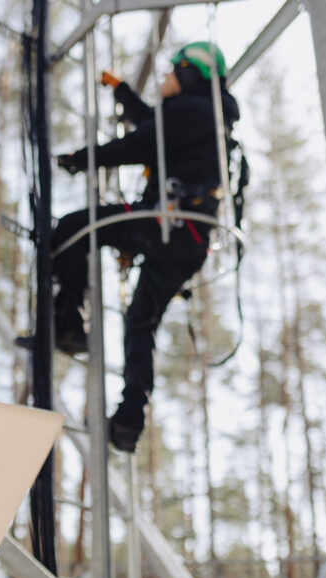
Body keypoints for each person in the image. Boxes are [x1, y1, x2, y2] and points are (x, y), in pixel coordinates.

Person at [52, 41, 241, 454]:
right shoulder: (206, 117)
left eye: (172, 71)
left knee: (71, 229)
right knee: (140, 320)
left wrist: (80, 159)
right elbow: (151, 124)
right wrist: (120, 90)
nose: (164, 78)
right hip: (187, 240)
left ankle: (68, 322)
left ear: (190, 74)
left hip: (165, 225)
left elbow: (141, 142)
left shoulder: (192, 112)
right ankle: (128, 421)